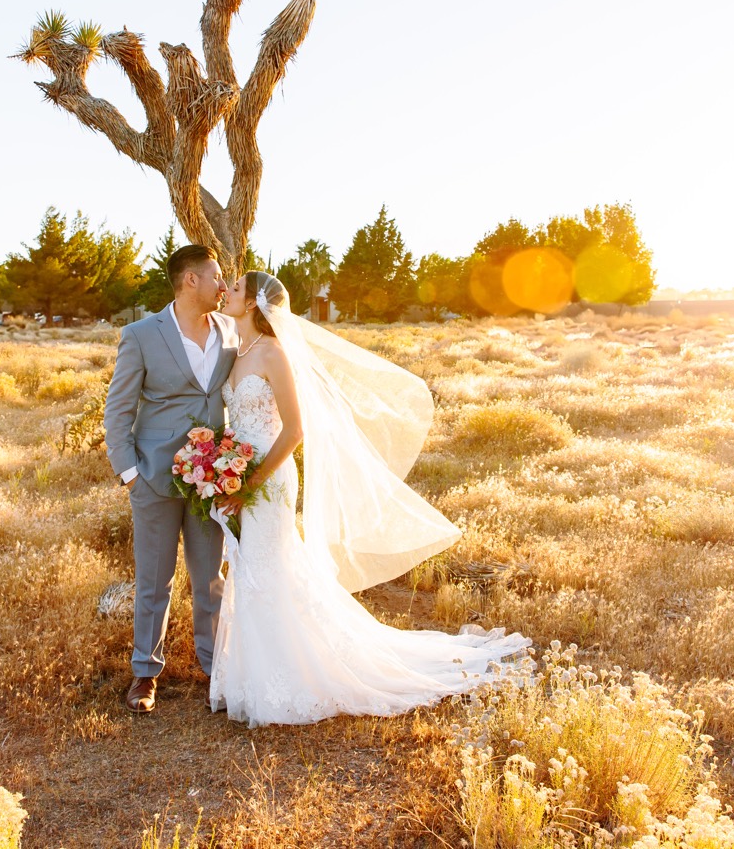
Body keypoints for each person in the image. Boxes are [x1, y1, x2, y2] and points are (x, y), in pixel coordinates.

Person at [207, 270, 530, 726]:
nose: (228, 292)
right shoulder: (237, 352)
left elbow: (295, 430)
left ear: (256, 304)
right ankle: (254, 674)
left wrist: (253, 480)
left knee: (267, 566)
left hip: (269, 479)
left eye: (236, 288)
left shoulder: (274, 355)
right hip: (239, 476)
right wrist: (222, 470)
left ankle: (290, 676)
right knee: (253, 569)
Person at [103, 244, 236, 714]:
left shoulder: (231, 333)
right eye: (216, 277)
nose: (224, 286)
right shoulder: (141, 335)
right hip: (154, 479)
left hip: (210, 481)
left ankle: (213, 666)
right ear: (190, 280)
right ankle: (144, 673)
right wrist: (130, 474)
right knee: (153, 582)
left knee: (210, 579)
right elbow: (117, 409)